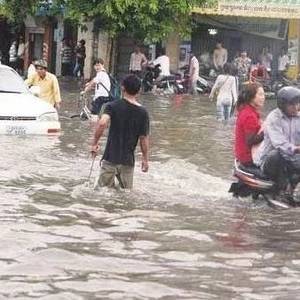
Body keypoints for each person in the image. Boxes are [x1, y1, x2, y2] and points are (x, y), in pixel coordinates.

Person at [91, 74, 150, 189]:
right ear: (139, 91)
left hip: (110, 158)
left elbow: (102, 123)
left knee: (101, 192)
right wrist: (145, 159)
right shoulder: (143, 112)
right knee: (125, 195)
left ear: (122, 88)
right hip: (128, 162)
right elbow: (144, 138)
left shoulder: (111, 106)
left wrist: (95, 143)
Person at [253, 87, 300, 192]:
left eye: (297, 103)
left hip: (292, 158)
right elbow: (280, 144)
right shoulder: (274, 118)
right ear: (283, 105)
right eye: (292, 104)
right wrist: (297, 149)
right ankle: (281, 190)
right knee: (276, 154)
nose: (296, 107)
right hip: (270, 160)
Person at [234, 83, 265, 167]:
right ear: (251, 97)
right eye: (260, 95)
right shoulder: (249, 115)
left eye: (263, 95)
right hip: (248, 158)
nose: (263, 97)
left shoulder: (248, 111)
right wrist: (267, 132)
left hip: (244, 155)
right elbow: (250, 140)